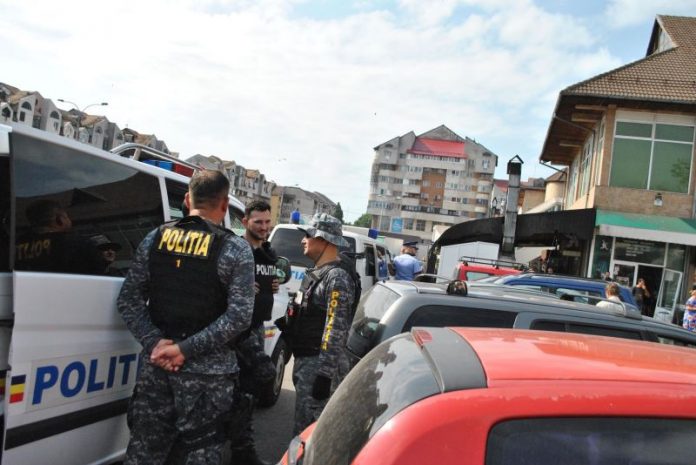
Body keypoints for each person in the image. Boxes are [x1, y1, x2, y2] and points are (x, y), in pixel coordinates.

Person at [116, 170, 255, 465]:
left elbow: (128, 299)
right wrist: (183, 350)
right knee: (200, 454)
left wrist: (156, 343)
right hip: (208, 378)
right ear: (224, 204)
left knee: (143, 453)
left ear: (187, 200)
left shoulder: (155, 238)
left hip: (157, 369)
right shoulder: (235, 249)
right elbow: (239, 317)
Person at [276, 213, 356, 434]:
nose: (303, 240)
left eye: (308, 235)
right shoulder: (318, 273)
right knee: (302, 429)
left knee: (311, 434)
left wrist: (324, 375)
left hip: (318, 367)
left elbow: (335, 329)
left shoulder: (336, 277)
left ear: (324, 239)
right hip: (307, 364)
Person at [231, 200, 279, 465]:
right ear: (245, 222)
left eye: (267, 222)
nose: (264, 227)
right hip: (237, 332)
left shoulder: (267, 252)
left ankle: (242, 451)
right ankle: (239, 450)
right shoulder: (236, 251)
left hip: (258, 327)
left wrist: (274, 284)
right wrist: (240, 287)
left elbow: (269, 276)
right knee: (240, 390)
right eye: (258, 222)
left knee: (250, 391)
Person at [15, 199, 102, 274]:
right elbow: (98, 275)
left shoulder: (15, 245)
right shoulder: (79, 244)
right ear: (60, 220)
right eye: (67, 216)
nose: (70, 220)